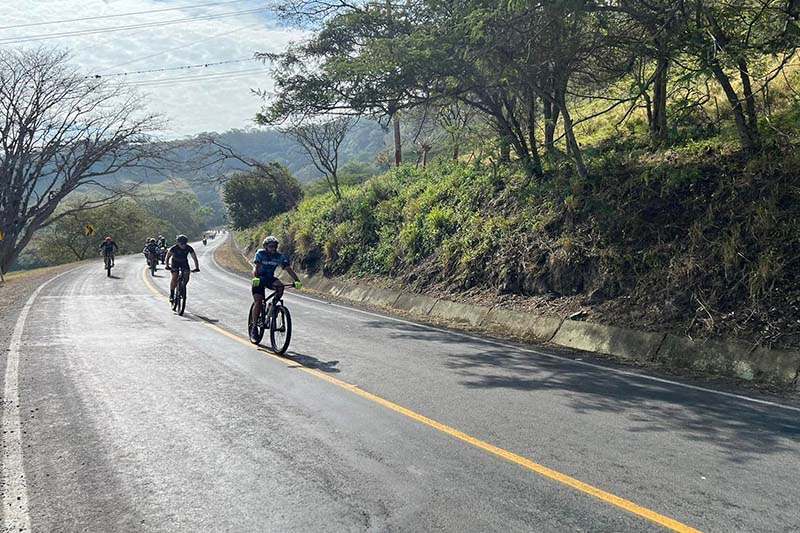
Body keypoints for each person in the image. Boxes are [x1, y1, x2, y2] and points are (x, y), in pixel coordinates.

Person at [250, 236, 301, 337]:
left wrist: (296, 280)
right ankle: (254, 327)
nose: (273, 249)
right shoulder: (260, 253)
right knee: (258, 301)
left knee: (280, 287)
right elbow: (256, 268)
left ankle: (272, 307)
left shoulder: (279, 256)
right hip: (259, 279)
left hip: (269, 279)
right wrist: (256, 278)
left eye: (275, 247)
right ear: (265, 247)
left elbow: (288, 269)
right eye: (271, 246)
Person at [165, 235, 199, 303]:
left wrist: (197, 267)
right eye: (181, 244)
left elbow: (194, 258)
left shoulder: (189, 248)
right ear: (178, 243)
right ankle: (172, 295)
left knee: (187, 275)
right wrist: (167, 265)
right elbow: (168, 256)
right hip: (175, 262)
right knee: (175, 276)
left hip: (184, 262)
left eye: (185, 243)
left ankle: (182, 287)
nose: (183, 245)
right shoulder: (174, 248)